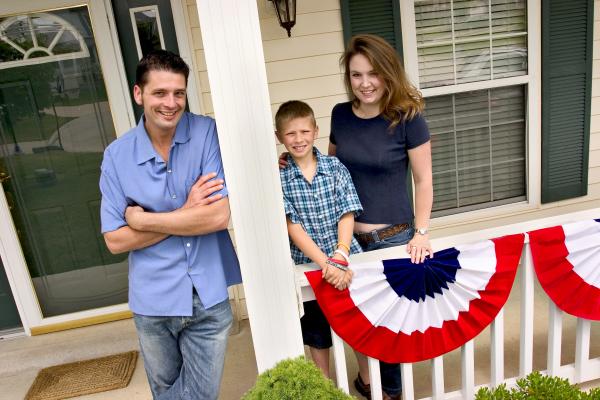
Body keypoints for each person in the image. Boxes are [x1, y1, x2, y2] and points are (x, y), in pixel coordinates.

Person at [99, 50, 241, 400]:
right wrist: (188, 212)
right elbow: (115, 241)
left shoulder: (206, 132)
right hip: (152, 301)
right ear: (138, 94)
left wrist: (144, 219)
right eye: (160, 93)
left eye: (179, 93)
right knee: (167, 392)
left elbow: (217, 216)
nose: (171, 102)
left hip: (207, 294)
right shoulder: (117, 156)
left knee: (199, 394)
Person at [331, 34, 434, 400]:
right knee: (358, 320)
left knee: (390, 327)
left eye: (373, 73)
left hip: (393, 237)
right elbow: (330, 169)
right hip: (346, 240)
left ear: (388, 74)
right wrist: (295, 162)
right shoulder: (340, 116)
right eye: (356, 75)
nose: (365, 83)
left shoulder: (407, 118)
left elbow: (423, 181)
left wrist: (421, 232)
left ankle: (390, 393)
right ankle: (367, 382)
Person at [275, 100, 363, 378]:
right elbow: (292, 226)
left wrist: (340, 256)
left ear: (315, 130)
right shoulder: (279, 178)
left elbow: (346, 213)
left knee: (358, 323)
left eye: (304, 131)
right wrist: (325, 264)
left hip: (346, 260)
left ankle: (368, 380)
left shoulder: (335, 168)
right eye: (290, 133)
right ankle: (324, 386)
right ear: (279, 137)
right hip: (309, 266)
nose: (298, 139)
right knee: (317, 332)